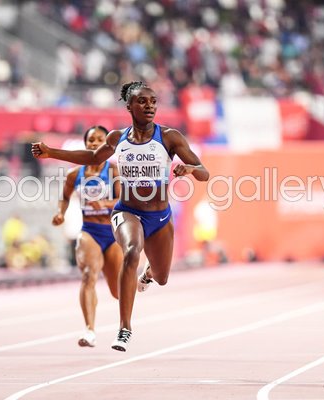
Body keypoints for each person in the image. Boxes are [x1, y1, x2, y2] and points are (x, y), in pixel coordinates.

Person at [32, 81, 210, 351]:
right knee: (131, 250)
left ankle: (148, 275)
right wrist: (52, 152)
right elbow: (92, 155)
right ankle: (124, 328)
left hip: (160, 216)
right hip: (127, 211)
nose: (149, 106)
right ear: (129, 106)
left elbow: (204, 172)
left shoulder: (170, 137)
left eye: (153, 101)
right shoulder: (118, 138)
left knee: (162, 277)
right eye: (142, 101)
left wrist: (188, 168)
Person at [52, 125, 122, 348]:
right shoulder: (75, 174)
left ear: (107, 144)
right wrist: (60, 213)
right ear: (86, 144)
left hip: (113, 234)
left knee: (116, 290)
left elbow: (125, 201)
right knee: (88, 276)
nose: (94, 143)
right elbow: (64, 197)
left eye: (100, 139)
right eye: (91, 140)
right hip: (90, 231)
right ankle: (90, 330)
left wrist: (105, 203)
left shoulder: (113, 171)